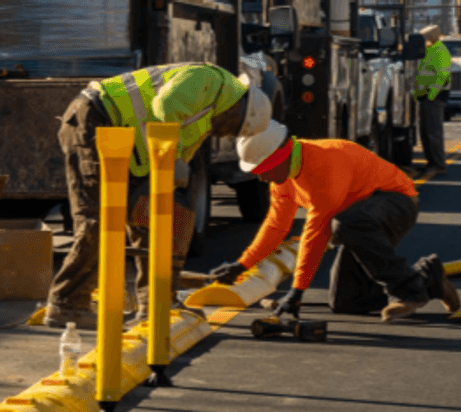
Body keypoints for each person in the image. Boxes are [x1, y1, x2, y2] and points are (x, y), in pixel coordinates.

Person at [44, 62, 273, 328]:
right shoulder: (208, 80)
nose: (225, 134)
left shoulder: (207, 119)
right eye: (232, 128)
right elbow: (165, 106)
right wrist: (174, 157)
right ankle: (66, 303)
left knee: (152, 221)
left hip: (131, 143)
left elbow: (178, 156)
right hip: (96, 118)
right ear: (238, 109)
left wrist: (176, 207)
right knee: (99, 219)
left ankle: (154, 303)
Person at [209, 120, 459, 322]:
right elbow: (276, 227)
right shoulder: (282, 179)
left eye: (262, 170)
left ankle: (409, 290)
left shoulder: (323, 163)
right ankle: (428, 278)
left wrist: (297, 291)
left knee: (343, 223)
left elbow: (315, 233)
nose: (262, 178)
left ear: (277, 158)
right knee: (346, 302)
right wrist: (242, 265)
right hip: (360, 219)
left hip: (396, 202)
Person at [414, 25, 452, 180]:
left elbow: (442, 76)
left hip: (434, 97)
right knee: (426, 133)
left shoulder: (440, 51)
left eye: (425, 38)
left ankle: (438, 165)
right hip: (426, 96)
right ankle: (431, 163)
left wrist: (432, 95)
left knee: (433, 133)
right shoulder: (430, 50)